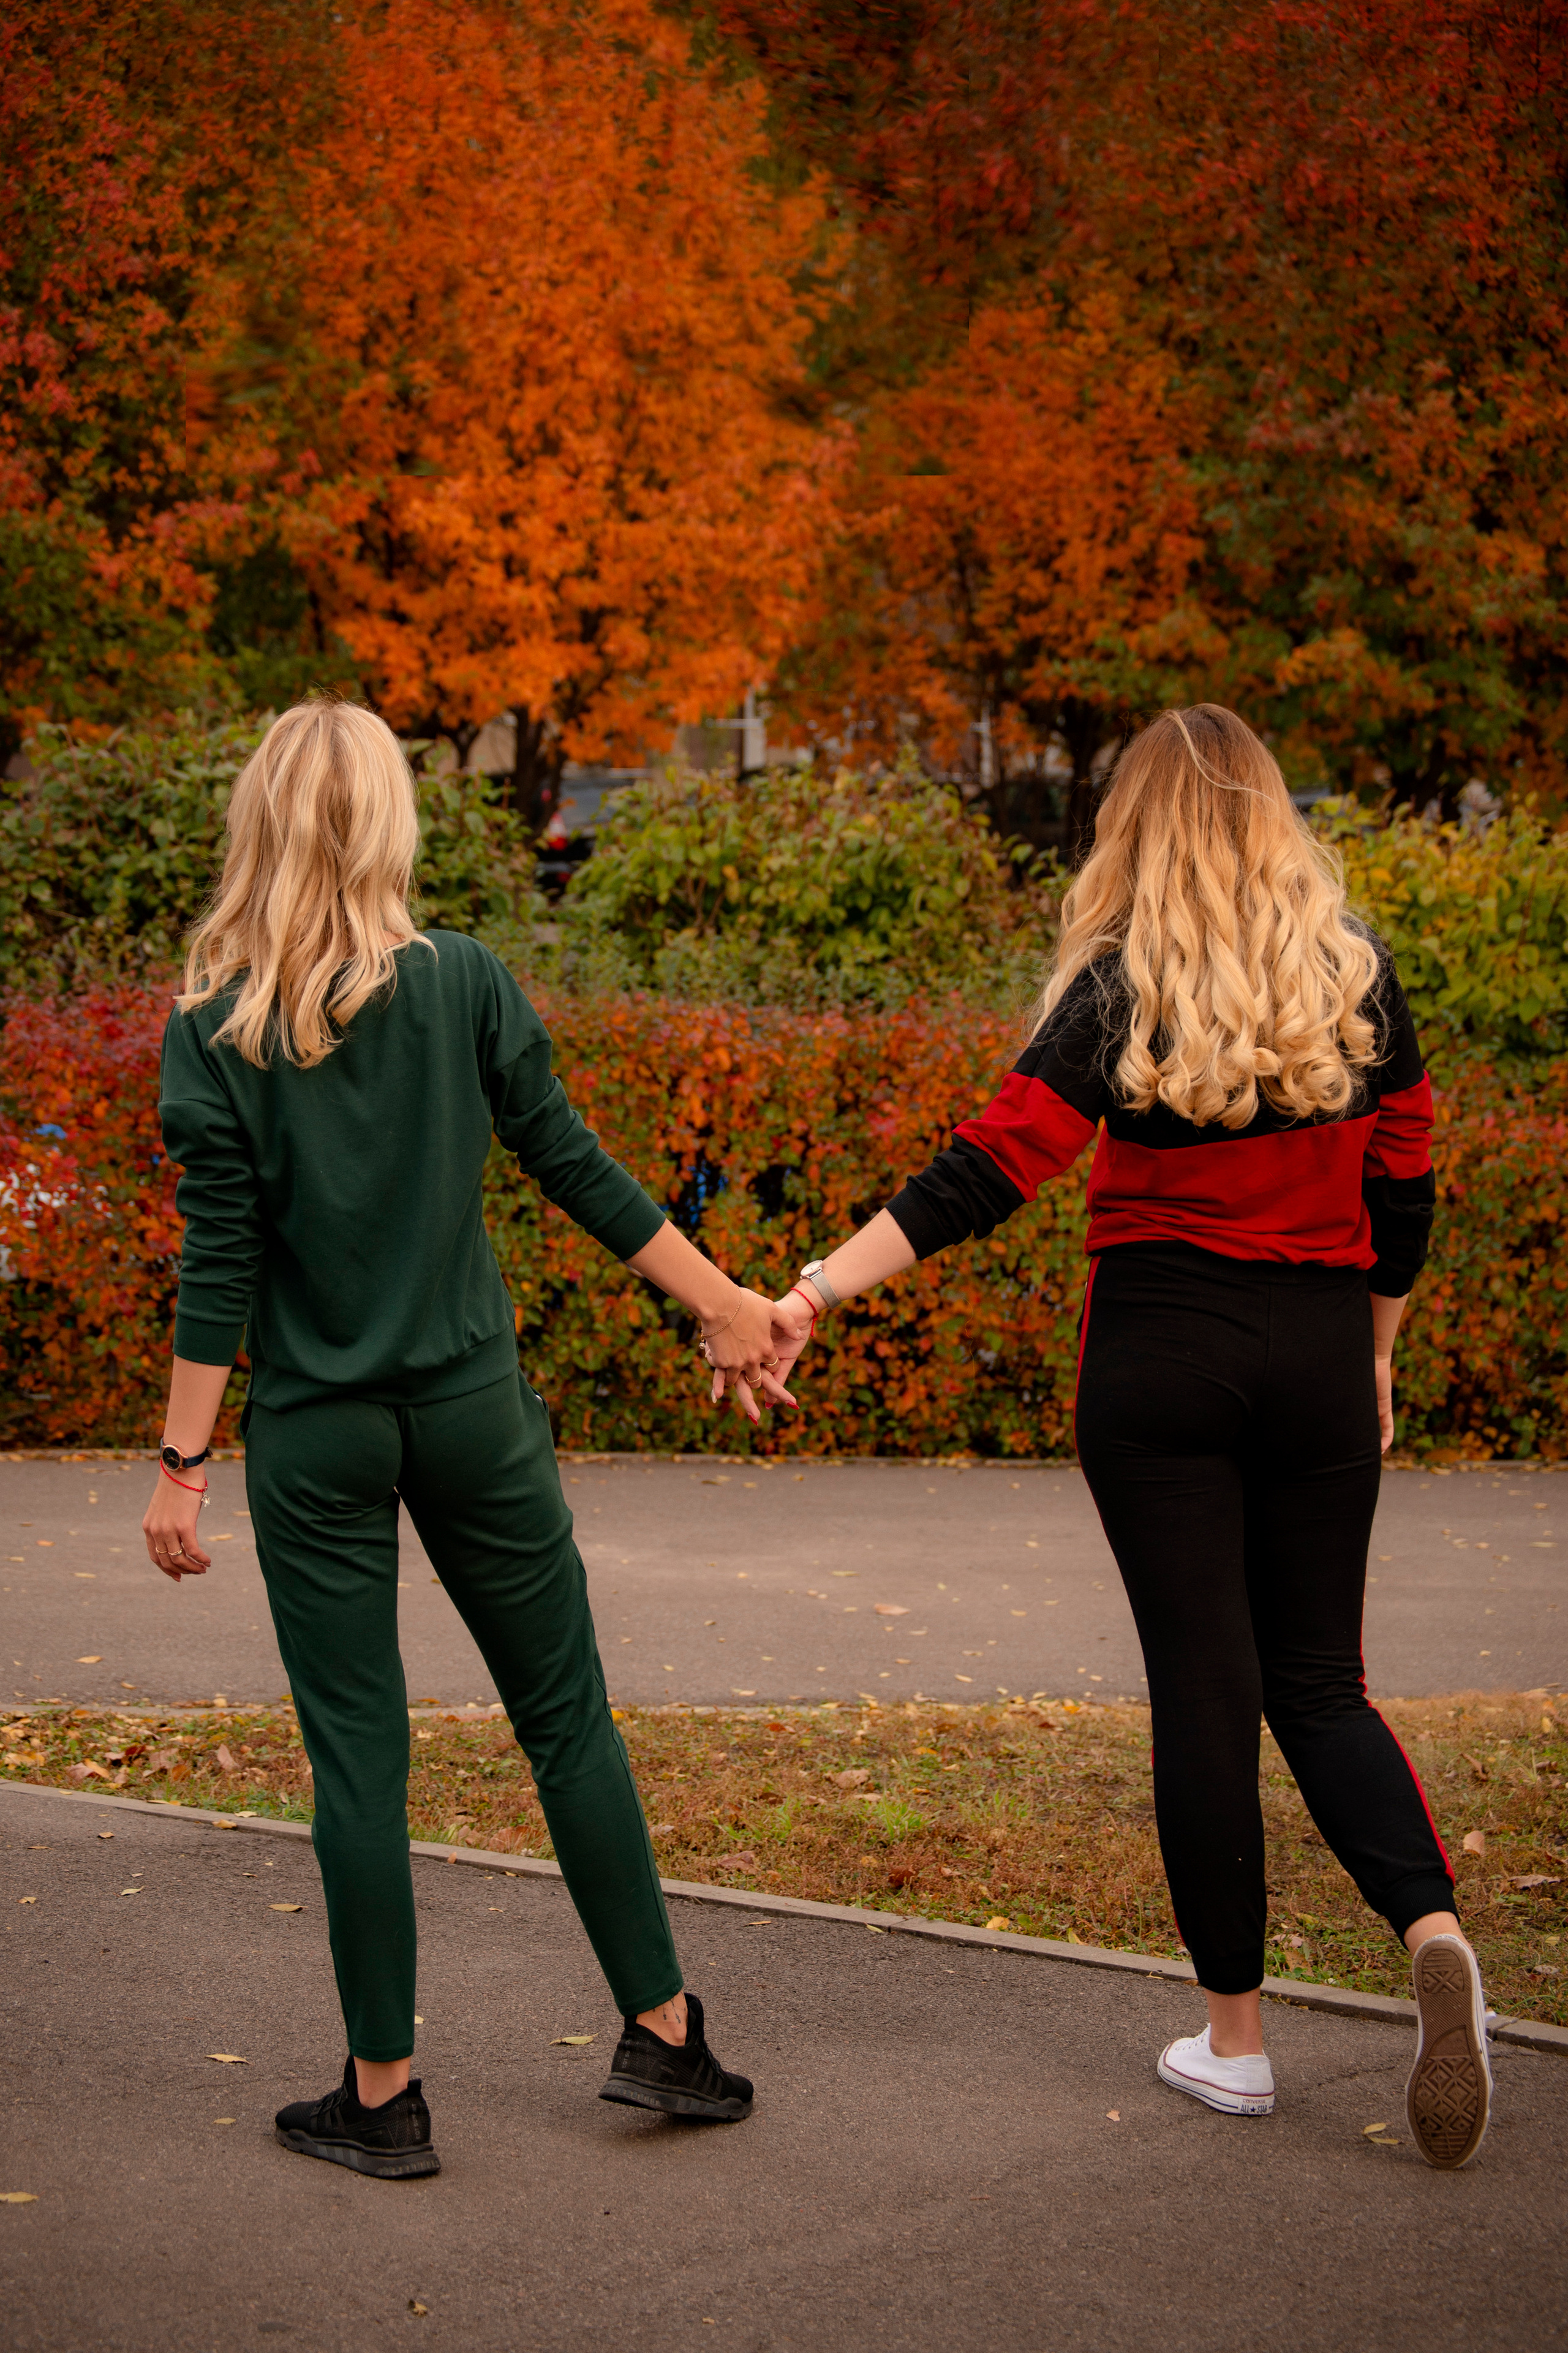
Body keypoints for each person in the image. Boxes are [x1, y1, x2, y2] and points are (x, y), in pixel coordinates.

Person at [748, 704, 1490, 2170]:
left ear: (1132, 828)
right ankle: (1431, 1926)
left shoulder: (1118, 986)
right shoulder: (1360, 980)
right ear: (1273, 819)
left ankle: (1234, 2043)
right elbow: (1404, 1182)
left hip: (1159, 1351)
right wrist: (1379, 1351)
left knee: (1205, 1692)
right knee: (1320, 1681)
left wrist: (812, 1288)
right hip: (1324, 1349)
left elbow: (992, 1164)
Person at [141, 697, 784, 2178]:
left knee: (358, 1761)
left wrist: (183, 1465)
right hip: (478, 1417)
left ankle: (384, 2098)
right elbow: (573, 1163)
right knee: (567, 1720)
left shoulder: (211, 1031)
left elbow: (219, 1262)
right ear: (388, 823)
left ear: (259, 829)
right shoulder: (465, 984)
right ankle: (668, 2038)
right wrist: (727, 1303)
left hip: (317, 1434)